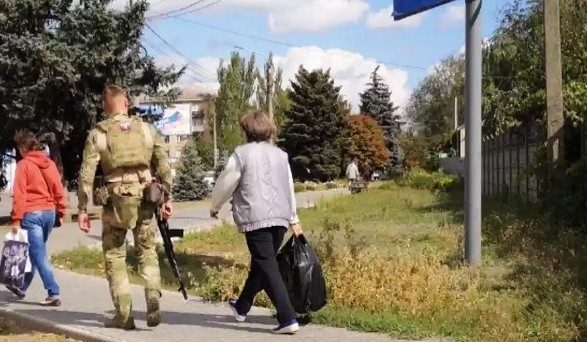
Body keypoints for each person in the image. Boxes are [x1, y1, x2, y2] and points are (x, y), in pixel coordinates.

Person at [76, 85, 173, 330]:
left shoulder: (99, 132)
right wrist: (168, 198)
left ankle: (124, 314)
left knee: (115, 256)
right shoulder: (146, 129)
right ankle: (152, 294)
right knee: (147, 251)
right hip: (146, 199)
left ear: (105, 108)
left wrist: (83, 209)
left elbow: (86, 175)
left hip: (115, 203)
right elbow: (163, 165)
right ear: (126, 103)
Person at [210, 109, 303, 335]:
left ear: (247, 130)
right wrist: (293, 219)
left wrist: (215, 205)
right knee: (262, 264)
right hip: (280, 217)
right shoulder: (281, 155)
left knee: (267, 265)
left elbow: (226, 182)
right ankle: (242, 307)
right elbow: (289, 188)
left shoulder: (241, 154)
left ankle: (288, 317)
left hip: (256, 217)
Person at [7, 130, 66, 306]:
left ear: (23, 147)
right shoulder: (49, 163)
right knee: (35, 252)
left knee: (39, 255)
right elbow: (58, 187)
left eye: (18, 148)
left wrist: (16, 219)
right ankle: (22, 286)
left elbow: (20, 194)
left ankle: (53, 291)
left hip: (31, 214)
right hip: (49, 213)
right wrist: (61, 211)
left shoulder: (24, 165)